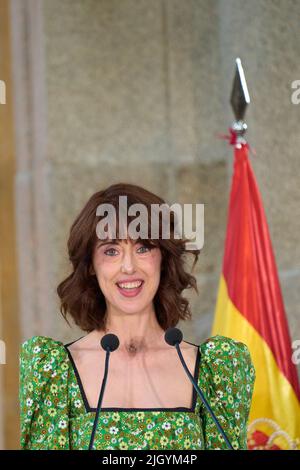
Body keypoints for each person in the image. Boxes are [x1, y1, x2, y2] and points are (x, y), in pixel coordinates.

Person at [19, 182, 255, 450]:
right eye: (111, 251)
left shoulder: (213, 371)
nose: (129, 267)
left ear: (163, 258)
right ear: (91, 266)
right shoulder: (54, 372)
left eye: (143, 248)